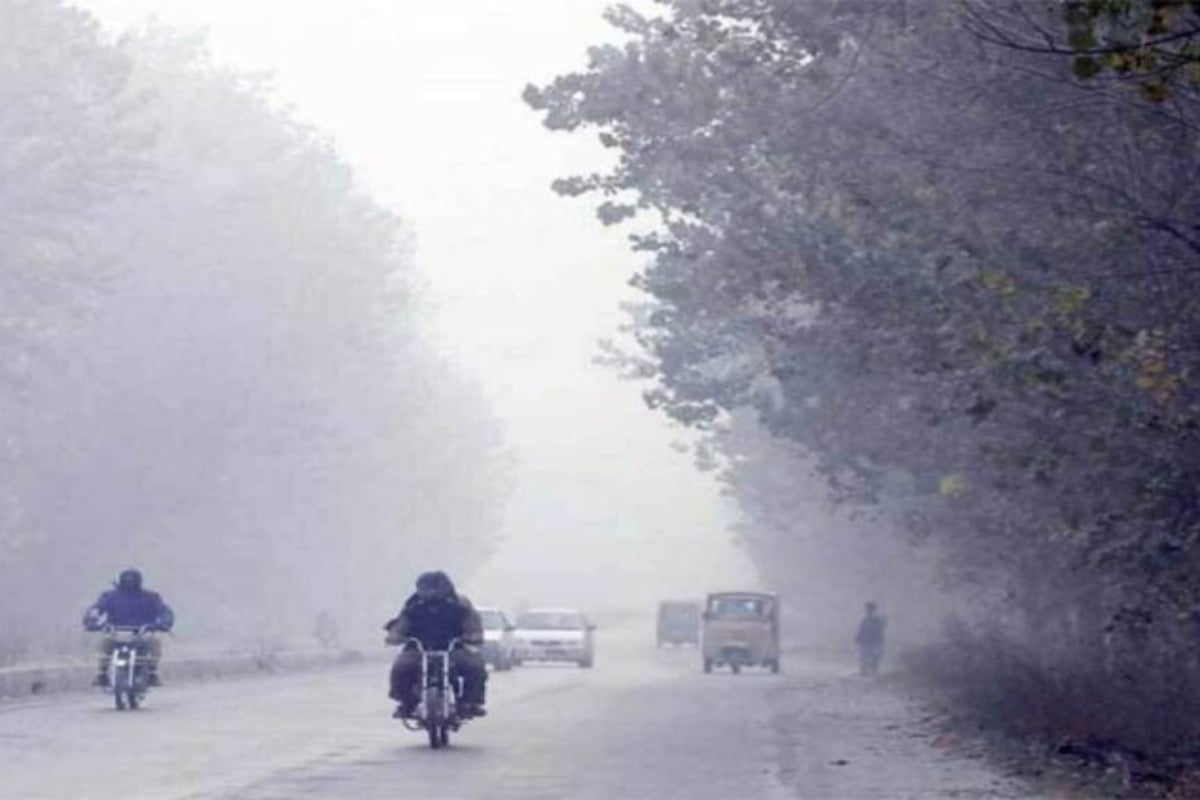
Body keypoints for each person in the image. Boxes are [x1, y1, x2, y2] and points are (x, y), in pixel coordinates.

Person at [384, 571, 487, 719]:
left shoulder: (460, 605)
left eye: (435, 587)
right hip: (418, 649)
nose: (431, 592)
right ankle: (406, 703)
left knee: (475, 667)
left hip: (453, 649)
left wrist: (473, 635)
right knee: (400, 667)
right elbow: (401, 625)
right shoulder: (413, 605)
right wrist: (395, 636)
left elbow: (472, 623)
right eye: (427, 587)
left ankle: (470, 702)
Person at [82, 568, 175, 687]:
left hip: (142, 634)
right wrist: (91, 621)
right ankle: (102, 673)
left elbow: (164, 611)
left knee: (154, 643)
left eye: (132, 581)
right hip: (116, 634)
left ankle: (152, 672)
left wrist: (164, 623)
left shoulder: (150, 597)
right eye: (127, 581)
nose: (129, 584)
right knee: (105, 643)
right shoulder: (110, 597)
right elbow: (96, 610)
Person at [855, 601, 886, 676]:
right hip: (867, 641)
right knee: (865, 656)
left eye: (869, 608)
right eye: (867, 608)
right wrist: (859, 636)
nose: (868, 610)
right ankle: (865, 670)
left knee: (874, 657)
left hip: (875, 641)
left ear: (873, 609)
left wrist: (860, 635)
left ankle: (872, 670)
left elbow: (881, 628)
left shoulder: (877, 618)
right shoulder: (866, 619)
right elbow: (862, 628)